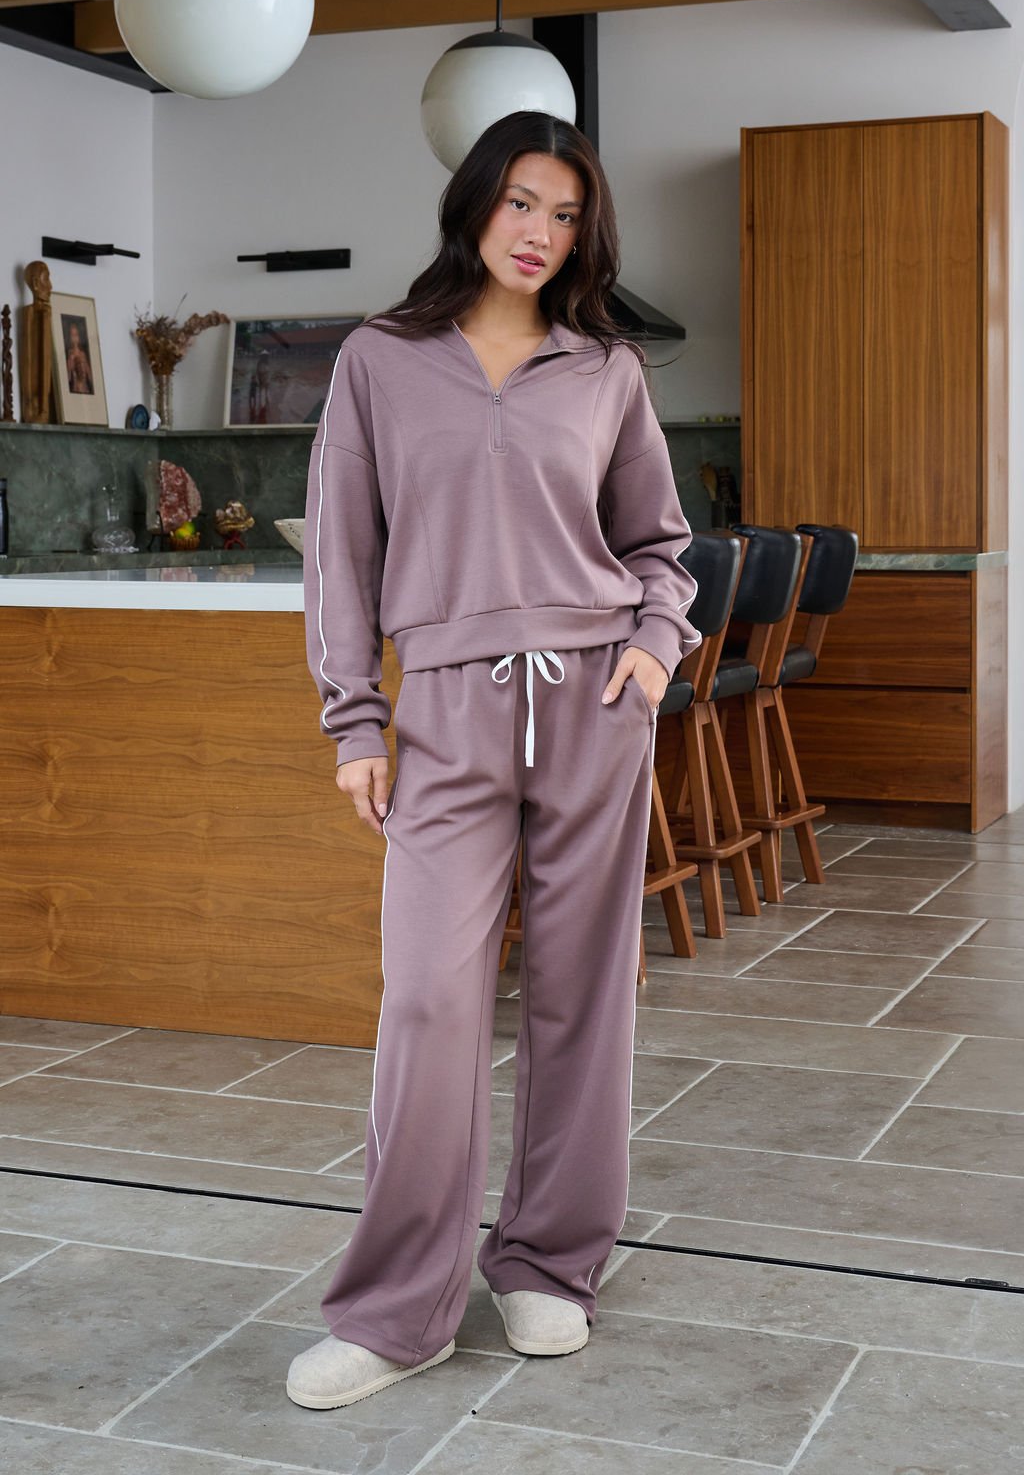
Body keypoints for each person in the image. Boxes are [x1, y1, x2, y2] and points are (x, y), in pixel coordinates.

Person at [290, 109, 700, 1412]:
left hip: (594, 703)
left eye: (566, 216)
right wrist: (356, 720)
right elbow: (340, 554)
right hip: (450, 713)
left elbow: (660, 545)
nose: (539, 233)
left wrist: (653, 651)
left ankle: (550, 1263)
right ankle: (397, 1309)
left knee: (584, 995)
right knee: (427, 1000)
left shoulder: (605, 369)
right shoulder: (380, 359)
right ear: (474, 202)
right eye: (522, 202)